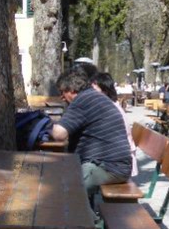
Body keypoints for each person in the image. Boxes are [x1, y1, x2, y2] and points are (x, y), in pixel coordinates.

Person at [51, 66, 131, 208]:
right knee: (61, 176)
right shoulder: (93, 96)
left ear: (72, 89)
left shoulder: (83, 100)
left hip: (110, 168)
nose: (61, 97)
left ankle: (87, 226)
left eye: (63, 92)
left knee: (63, 187)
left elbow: (59, 134)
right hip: (113, 165)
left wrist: (44, 125)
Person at [94, 72, 137, 178]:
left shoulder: (109, 109)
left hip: (120, 163)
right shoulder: (110, 105)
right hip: (116, 159)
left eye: (94, 91)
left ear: (105, 91)